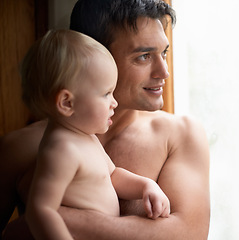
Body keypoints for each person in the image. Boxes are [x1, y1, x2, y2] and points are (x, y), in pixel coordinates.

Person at [0, 0, 210, 239]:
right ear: (94, 54)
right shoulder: (19, 148)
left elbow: (188, 234)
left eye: (163, 53)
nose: (164, 72)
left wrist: (62, 218)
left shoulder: (181, 135)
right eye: (144, 56)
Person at [22, 29, 170, 240]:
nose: (114, 102)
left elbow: (112, 175)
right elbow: (41, 210)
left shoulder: (85, 137)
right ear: (67, 103)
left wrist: (146, 186)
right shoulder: (62, 149)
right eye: (106, 94)